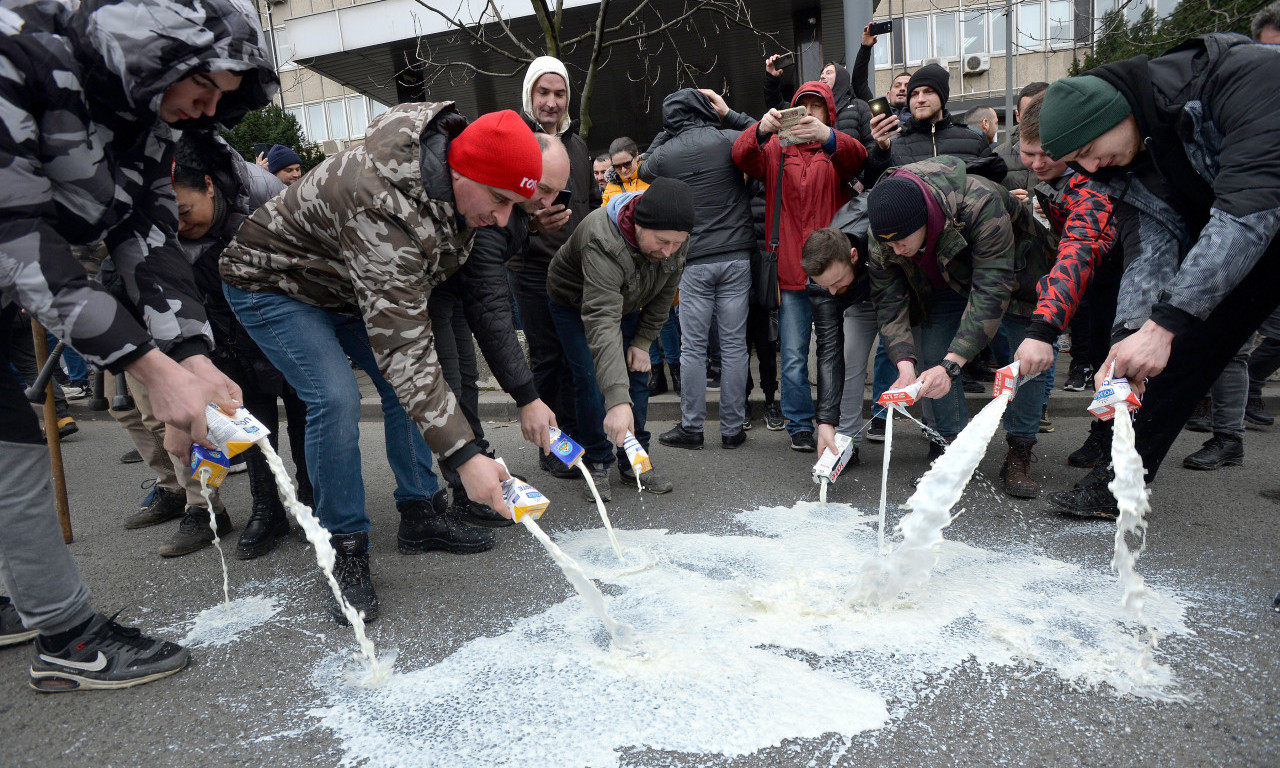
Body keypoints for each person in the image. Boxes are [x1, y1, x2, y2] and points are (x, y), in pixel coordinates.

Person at [0, 0, 276, 690]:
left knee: (8, 450)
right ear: (160, 53)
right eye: (204, 90)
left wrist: (193, 357)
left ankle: (40, 613)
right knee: (13, 456)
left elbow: (147, 240)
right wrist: (148, 368)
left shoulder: (147, 119)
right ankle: (68, 639)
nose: (203, 112)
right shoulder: (18, 54)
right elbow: (21, 239)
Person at [222, 106, 544, 623]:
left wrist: (525, 393)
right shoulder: (382, 202)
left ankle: (419, 513)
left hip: (339, 284)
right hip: (271, 282)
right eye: (501, 201)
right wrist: (466, 455)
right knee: (335, 397)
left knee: (404, 390)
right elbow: (405, 349)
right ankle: (343, 550)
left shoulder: (451, 188)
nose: (503, 220)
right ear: (464, 172)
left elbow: (474, 304)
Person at [1035, 31, 1280, 517]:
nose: (1089, 167)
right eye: (1076, 162)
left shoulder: (1246, 76)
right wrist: (1135, 338)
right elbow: (1150, 252)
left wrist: (1163, 323)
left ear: (1113, 116)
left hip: (1255, 215)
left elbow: (1247, 212)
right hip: (1246, 236)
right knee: (1165, 355)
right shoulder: (1126, 161)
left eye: (1088, 149)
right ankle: (1120, 483)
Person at [865, 157, 1054, 498]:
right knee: (931, 354)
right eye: (888, 245)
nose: (896, 251)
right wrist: (905, 366)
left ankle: (1020, 449)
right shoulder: (884, 229)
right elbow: (889, 302)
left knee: (1023, 361)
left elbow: (991, 288)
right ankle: (951, 451)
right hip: (943, 280)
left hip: (1015, 277)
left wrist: (953, 365)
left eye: (901, 242)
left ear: (924, 218)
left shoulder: (980, 202)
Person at [171, 132, 315, 559]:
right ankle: (266, 507)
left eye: (183, 211)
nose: (178, 225)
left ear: (210, 186)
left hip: (283, 317)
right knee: (248, 420)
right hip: (222, 326)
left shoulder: (263, 193)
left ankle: (310, 500)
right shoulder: (170, 221)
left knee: (304, 416)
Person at [428, 132, 568, 520]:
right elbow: (492, 312)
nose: (548, 202)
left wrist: (532, 224)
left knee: (465, 379)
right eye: (542, 189)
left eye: (557, 192)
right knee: (447, 385)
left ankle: (479, 463)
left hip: (450, 287)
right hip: (432, 291)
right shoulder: (491, 215)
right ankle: (448, 493)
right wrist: (526, 396)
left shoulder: (515, 210)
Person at [732, 80, 867, 452]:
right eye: (802, 106)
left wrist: (828, 136)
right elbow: (741, 156)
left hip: (832, 272)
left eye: (817, 106)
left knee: (831, 353)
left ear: (828, 113)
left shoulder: (835, 148)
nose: (808, 112)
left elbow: (859, 158)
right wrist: (760, 129)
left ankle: (831, 420)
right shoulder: (776, 149)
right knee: (792, 356)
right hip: (790, 270)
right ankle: (799, 423)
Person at [546, 177, 694, 500]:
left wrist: (642, 342)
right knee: (590, 376)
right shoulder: (602, 238)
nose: (669, 251)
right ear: (640, 223)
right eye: (663, 242)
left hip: (628, 297)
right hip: (575, 303)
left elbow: (665, 292)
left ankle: (633, 457)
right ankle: (598, 460)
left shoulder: (675, 238)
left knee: (639, 369)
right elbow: (601, 321)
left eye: (676, 244)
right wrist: (615, 399)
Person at [1005, 92, 1123, 474]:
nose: (1037, 164)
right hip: (1088, 281)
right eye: (1028, 153)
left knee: (1118, 363)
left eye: (1047, 154)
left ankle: (1118, 455)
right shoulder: (1053, 174)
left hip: (1121, 276)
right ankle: (1103, 435)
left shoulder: (1092, 183)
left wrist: (1043, 328)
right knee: (1098, 357)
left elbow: (1078, 250)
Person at [643, 88, 756, 451]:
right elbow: (764, 135)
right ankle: (732, 429)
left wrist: (668, 129)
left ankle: (692, 428)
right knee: (735, 345)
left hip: (693, 261)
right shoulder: (728, 139)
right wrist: (728, 113)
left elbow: (643, 165)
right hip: (736, 254)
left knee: (693, 347)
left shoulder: (664, 154)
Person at [509, 55, 603, 479]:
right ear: (530, 95)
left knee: (577, 359)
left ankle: (582, 437)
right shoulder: (516, 142)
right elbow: (498, 213)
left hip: (577, 273)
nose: (551, 102)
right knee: (548, 360)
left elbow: (592, 207)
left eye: (559, 93)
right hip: (530, 270)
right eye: (543, 92)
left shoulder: (578, 147)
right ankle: (554, 448)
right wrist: (529, 224)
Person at [802, 225, 877, 466]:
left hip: (902, 291)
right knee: (848, 359)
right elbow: (828, 350)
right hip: (858, 300)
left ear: (853, 255)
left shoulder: (878, 241)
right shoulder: (824, 284)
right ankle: (847, 443)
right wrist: (825, 421)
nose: (832, 292)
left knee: (928, 359)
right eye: (826, 286)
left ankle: (941, 439)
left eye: (836, 281)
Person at [863, 63, 1007, 187]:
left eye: (928, 92)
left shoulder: (974, 137)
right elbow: (874, 186)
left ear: (942, 96)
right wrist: (882, 150)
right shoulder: (894, 143)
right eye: (914, 94)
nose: (920, 99)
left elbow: (990, 183)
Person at [763, 56, 873, 146]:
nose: (823, 76)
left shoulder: (859, 106)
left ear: (841, 77)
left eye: (828, 73)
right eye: (821, 75)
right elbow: (777, 105)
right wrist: (772, 78)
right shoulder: (803, 109)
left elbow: (871, 145)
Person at [849, 24, 912, 119]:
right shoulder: (878, 113)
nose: (902, 89)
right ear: (888, 95)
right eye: (897, 85)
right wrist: (865, 48)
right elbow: (859, 83)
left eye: (907, 86)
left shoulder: (924, 117)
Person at [998, 82, 1048, 197]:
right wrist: (1006, 200)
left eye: (1041, 112)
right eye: (1028, 114)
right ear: (1018, 116)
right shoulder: (998, 157)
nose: (1035, 120)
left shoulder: (1073, 154)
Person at [600, 137, 650, 204]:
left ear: (637, 156)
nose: (623, 170)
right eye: (617, 166)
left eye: (627, 164)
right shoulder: (610, 188)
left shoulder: (653, 177)